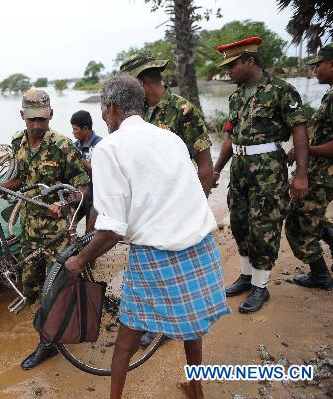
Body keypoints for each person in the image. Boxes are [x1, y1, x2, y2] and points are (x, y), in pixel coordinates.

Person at [65, 74, 229, 399]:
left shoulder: (108, 148)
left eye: (102, 108)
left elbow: (112, 229)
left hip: (158, 251)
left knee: (127, 339)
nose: (101, 115)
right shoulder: (171, 139)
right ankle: (195, 391)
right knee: (192, 326)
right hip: (200, 245)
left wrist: (80, 259)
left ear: (111, 109)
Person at [0, 89, 90, 370]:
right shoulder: (17, 142)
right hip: (29, 231)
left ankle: (49, 343)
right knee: (32, 286)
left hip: (57, 233)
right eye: (32, 120)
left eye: (42, 118)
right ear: (22, 117)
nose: (37, 125)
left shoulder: (64, 147)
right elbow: (19, 179)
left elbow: (83, 187)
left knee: (56, 288)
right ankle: (50, 334)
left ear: (51, 114)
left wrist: (65, 202)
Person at [212, 36, 309, 313]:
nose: (228, 71)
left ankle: (260, 286)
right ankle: (246, 276)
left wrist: (301, 174)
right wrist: (218, 168)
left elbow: (299, 131)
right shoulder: (237, 96)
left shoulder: (281, 90)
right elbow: (230, 137)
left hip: (268, 168)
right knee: (241, 224)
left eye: (232, 65)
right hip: (240, 169)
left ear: (250, 61)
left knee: (264, 228)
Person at [285, 42, 333, 289]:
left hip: (327, 174)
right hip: (325, 172)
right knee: (309, 214)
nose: (314, 70)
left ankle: (320, 275)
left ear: (332, 64)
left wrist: (304, 151)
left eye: (317, 65)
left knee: (297, 225)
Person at [120, 51, 214, 197]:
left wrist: (198, 207)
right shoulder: (136, 111)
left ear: (142, 83)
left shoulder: (183, 111)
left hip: (175, 196)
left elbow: (205, 166)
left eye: (129, 87)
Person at [71, 110, 102, 232]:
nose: (73, 133)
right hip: (80, 196)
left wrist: (80, 160)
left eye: (75, 129)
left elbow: (102, 171)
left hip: (96, 199)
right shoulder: (74, 146)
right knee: (67, 227)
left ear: (85, 128)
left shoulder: (100, 145)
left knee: (89, 234)